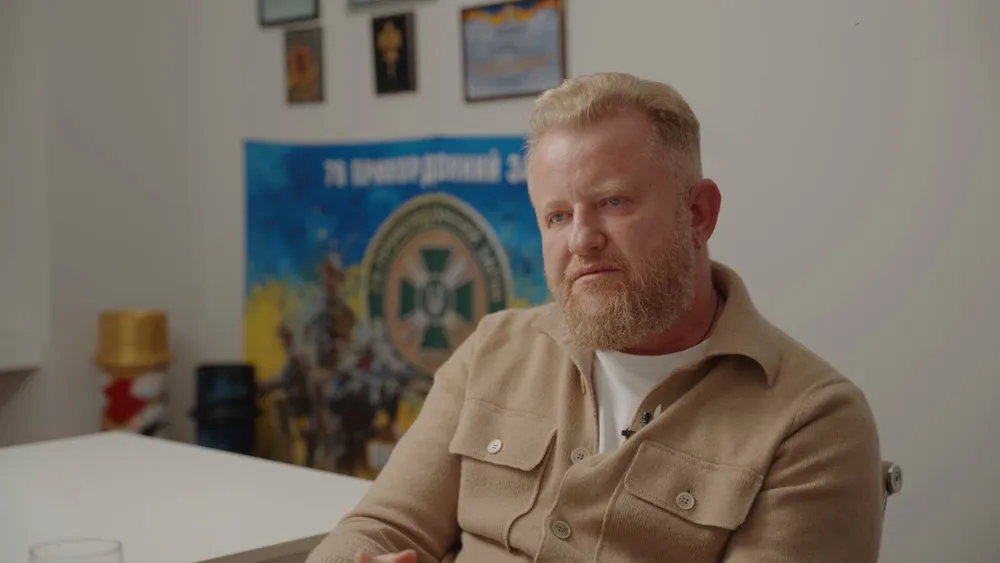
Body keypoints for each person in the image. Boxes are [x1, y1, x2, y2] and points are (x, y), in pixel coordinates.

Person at [305, 72, 884, 563]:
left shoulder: (812, 421)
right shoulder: (494, 349)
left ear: (698, 213)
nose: (581, 239)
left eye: (613, 202)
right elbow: (381, 526)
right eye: (557, 216)